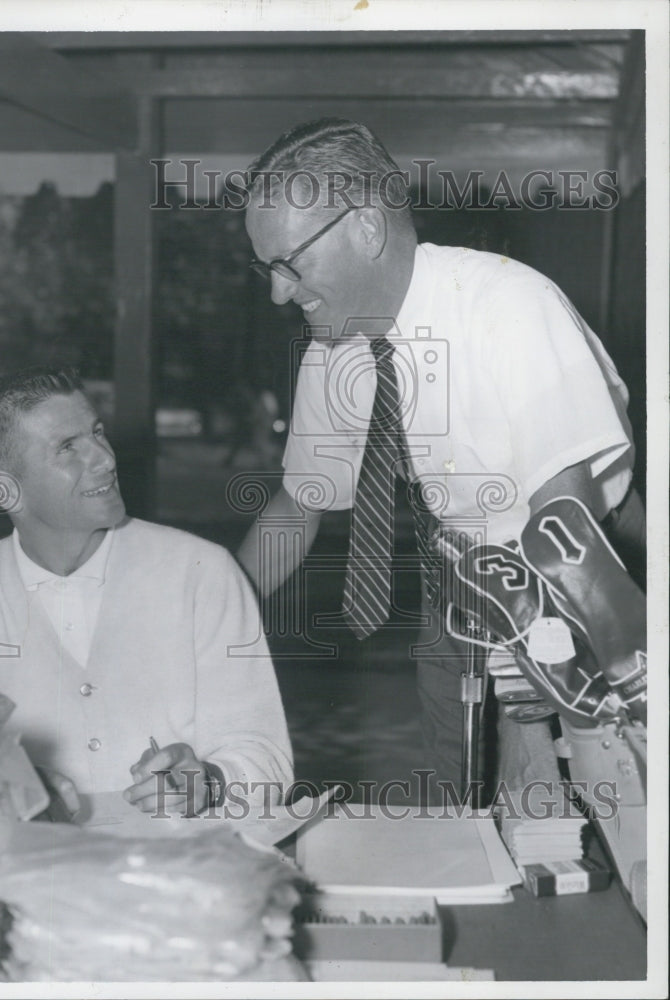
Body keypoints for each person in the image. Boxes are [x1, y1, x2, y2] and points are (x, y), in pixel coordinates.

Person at [235, 118, 644, 795]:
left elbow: (564, 524)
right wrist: (203, 612)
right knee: (463, 798)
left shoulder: (508, 303)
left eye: (290, 264)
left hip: (583, 582)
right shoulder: (332, 347)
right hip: (456, 590)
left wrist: (523, 705)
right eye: (265, 268)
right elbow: (299, 508)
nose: (278, 292)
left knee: (581, 808)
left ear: (366, 227)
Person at [0, 366, 293, 818]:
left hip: (187, 866)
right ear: (3, 490)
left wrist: (211, 781)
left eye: (97, 432)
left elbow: (268, 761)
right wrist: (11, 788)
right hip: (28, 873)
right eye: (68, 447)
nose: (105, 458)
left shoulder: (202, 572)